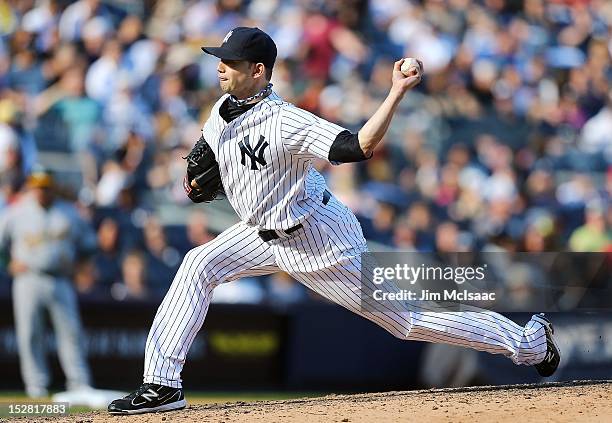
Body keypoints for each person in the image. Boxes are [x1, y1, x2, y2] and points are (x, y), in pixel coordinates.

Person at [108, 27, 560, 414]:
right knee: (197, 265)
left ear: (259, 71)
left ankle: (529, 342)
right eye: (220, 59)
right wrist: (195, 176)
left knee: (408, 321)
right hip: (259, 234)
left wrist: (395, 93)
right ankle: (163, 384)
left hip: (320, 239)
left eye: (232, 61)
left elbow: (356, 146)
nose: (221, 67)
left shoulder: (285, 121)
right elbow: (208, 153)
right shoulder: (220, 110)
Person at [0, 167, 95, 398]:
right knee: (30, 332)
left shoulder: (69, 213)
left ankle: (79, 383)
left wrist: (81, 267)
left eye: (45, 186)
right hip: (28, 278)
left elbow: (89, 244)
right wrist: (7, 263)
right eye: (38, 186)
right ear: (31, 186)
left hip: (61, 279)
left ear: (52, 186)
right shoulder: (17, 212)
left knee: (71, 332)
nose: (41, 190)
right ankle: (36, 385)